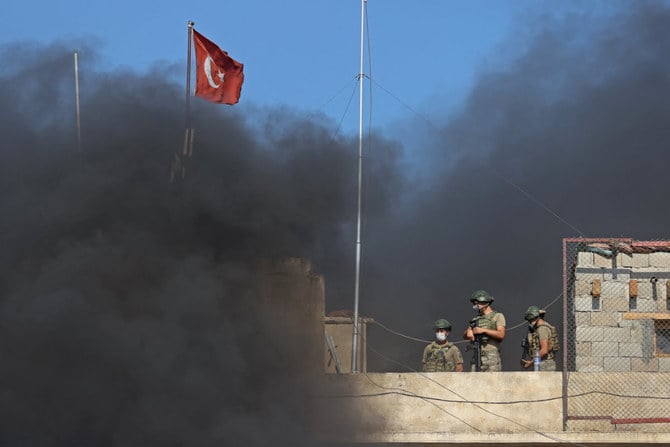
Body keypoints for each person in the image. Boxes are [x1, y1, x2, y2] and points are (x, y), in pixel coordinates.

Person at [463, 290, 506, 371]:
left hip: (491, 356)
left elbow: (501, 334)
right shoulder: (475, 319)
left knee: (492, 382)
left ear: (484, 302)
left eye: (476, 303)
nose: (475, 306)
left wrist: (483, 330)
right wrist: (468, 331)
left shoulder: (497, 316)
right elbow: (465, 335)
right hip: (477, 355)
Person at [521, 306, 557, 371]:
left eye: (531, 320)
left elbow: (544, 350)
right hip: (543, 363)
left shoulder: (542, 329)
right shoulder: (541, 328)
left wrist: (531, 362)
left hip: (545, 365)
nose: (530, 322)